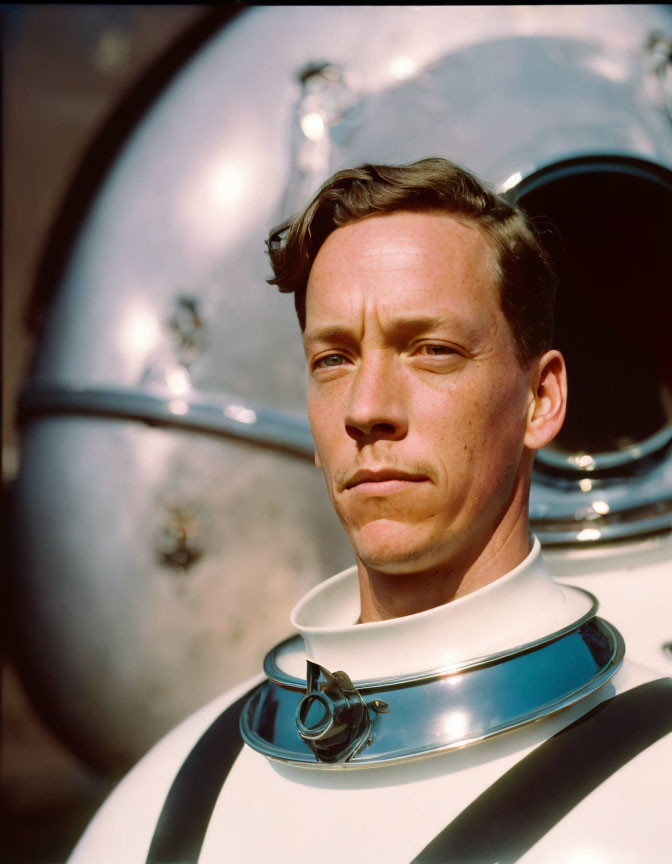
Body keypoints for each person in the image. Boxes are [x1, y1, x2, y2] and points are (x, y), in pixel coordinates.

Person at [69, 159, 672, 863]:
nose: (367, 409)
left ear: (540, 400)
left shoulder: (654, 793)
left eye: (432, 351)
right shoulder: (162, 805)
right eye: (334, 359)